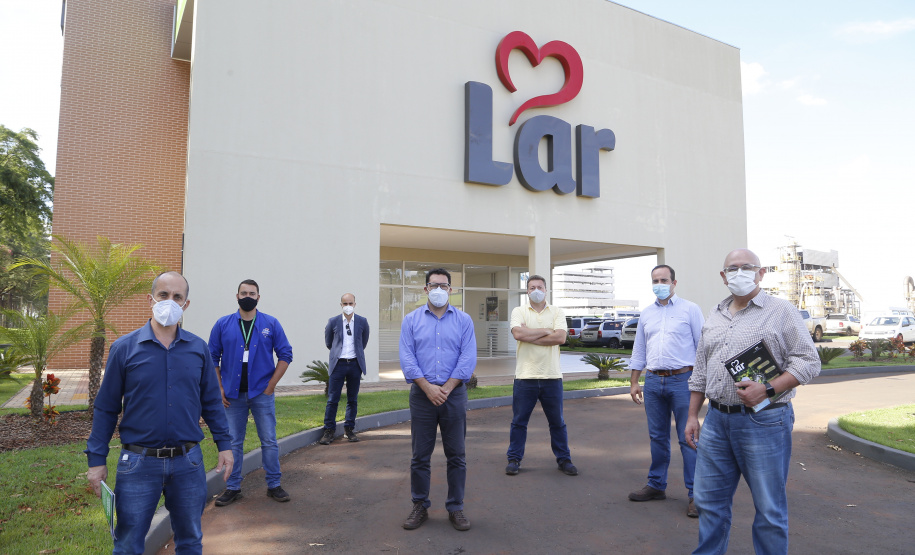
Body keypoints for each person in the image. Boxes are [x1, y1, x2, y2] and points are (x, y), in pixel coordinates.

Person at [85, 271, 233, 554]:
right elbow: (106, 408)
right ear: (150, 300)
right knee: (128, 545)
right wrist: (96, 460)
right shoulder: (124, 349)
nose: (170, 301)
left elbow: (212, 402)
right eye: (164, 295)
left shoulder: (199, 349)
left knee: (190, 541)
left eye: (177, 296)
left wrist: (224, 445)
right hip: (138, 464)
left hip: (188, 464)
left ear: (186, 304)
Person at [685, 248, 820, 555]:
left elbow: (809, 361)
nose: (739, 273)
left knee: (769, 510)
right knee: (709, 504)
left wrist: (768, 389)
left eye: (747, 267)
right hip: (717, 421)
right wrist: (693, 416)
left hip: (765, 420)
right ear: (723, 276)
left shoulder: (781, 311)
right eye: (732, 269)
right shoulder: (715, 314)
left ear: (761, 273)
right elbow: (701, 370)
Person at [399, 268, 476, 532]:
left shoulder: (464, 320)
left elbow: (468, 358)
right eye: (434, 285)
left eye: (444, 286)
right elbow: (407, 358)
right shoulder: (410, 320)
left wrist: (447, 386)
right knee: (420, 455)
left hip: (453, 396)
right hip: (422, 396)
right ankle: (420, 504)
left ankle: (456, 507)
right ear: (425, 289)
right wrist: (428, 387)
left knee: (457, 455)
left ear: (451, 289)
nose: (439, 290)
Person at [627, 265, 704, 517]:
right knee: (657, 437)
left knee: (688, 438)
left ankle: (695, 496)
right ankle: (656, 485)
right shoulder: (647, 314)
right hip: (652, 382)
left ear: (674, 282)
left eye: (664, 280)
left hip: (683, 380)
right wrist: (634, 381)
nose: (659, 283)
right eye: (655, 280)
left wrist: (701, 383)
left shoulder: (690, 310)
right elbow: (639, 349)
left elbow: (702, 349)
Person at [209, 279, 294, 506]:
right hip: (232, 396)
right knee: (234, 442)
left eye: (252, 293)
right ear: (237, 296)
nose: (248, 296)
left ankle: (274, 485)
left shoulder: (270, 323)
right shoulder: (223, 324)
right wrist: (219, 388)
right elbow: (211, 357)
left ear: (258, 297)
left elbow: (285, 354)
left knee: (269, 440)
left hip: (261, 393)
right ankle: (233, 487)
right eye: (244, 292)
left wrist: (271, 386)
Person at [505, 274, 578, 477]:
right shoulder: (519, 311)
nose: (536, 290)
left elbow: (561, 337)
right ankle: (514, 459)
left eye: (539, 287)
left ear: (546, 290)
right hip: (525, 377)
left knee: (557, 422)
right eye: (531, 287)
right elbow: (518, 334)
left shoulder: (557, 311)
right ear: (527, 291)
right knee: (519, 422)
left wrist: (532, 334)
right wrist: (546, 331)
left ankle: (564, 459)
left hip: (551, 377)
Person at [319, 292, 370, 444]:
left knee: (352, 399)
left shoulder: (362, 321)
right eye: (345, 303)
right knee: (333, 399)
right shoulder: (333, 321)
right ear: (341, 305)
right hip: (338, 365)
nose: (348, 306)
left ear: (355, 304)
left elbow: (363, 342)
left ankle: (349, 429)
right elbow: (329, 342)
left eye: (350, 303)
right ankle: (329, 431)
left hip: (355, 365)